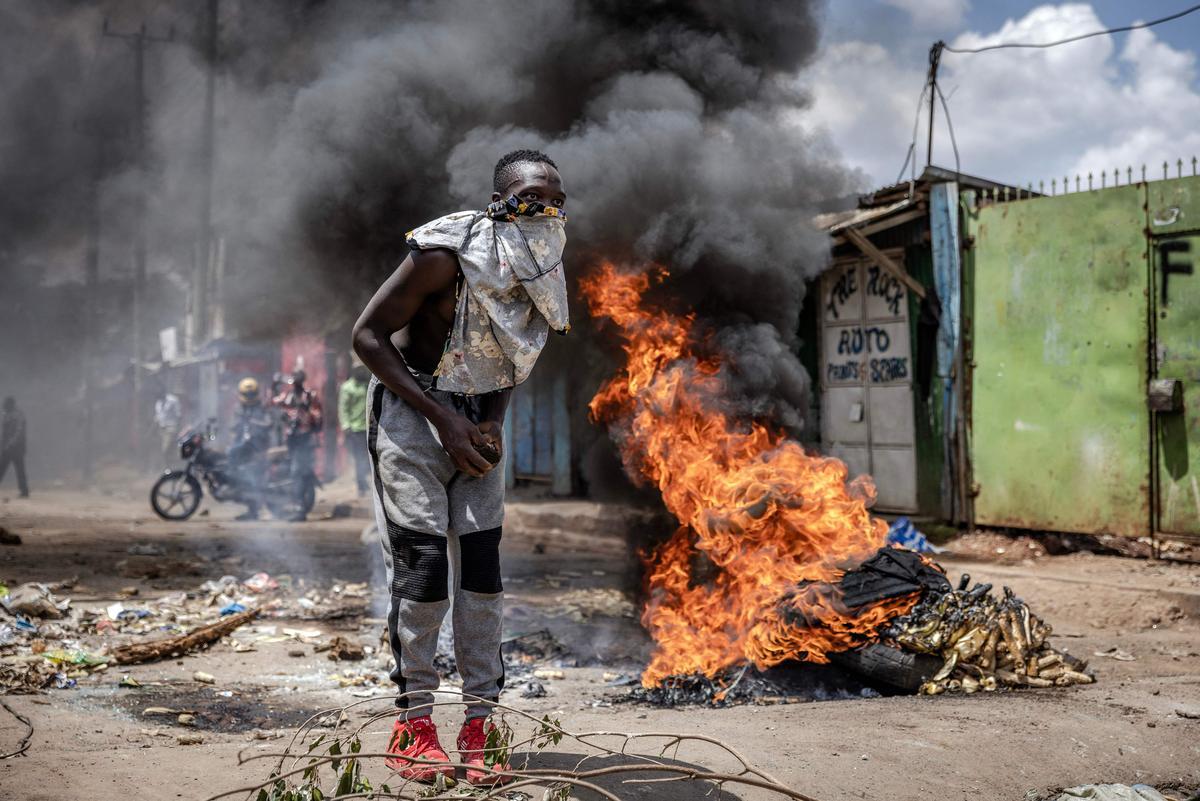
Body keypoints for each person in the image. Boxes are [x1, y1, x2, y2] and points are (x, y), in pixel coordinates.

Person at [352, 149, 568, 785]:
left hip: (475, 417)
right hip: (411, 410)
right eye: (531, 198)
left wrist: (492, 419)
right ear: (500, 204)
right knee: (421, 568)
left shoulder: (543, 261)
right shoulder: (442, 255)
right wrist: (441, 419)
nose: (545, 210)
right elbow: (366, 337)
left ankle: (480, 723)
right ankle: (413, 722)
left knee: (481, 573)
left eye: (556, 200)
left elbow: (513, 353)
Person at [272, 368, 323, 522]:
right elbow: (273, 401)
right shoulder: (287, 395)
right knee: (291, 470)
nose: (295, 383)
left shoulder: (309, 396)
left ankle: (300, 508)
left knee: (297, 472)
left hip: (305, 440)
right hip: (291, 440)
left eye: (298, 380)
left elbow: (318, 417)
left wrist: (305, 419)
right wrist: (274, 384)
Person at [229, 377, 274, 521]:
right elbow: (233, 425)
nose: (249, 398)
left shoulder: (262, 407)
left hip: (258, 447)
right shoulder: (238, 408)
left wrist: (254, 423)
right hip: (242, 447)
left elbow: (268, 423)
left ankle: (258, 510)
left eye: (251, 394)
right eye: (246, 395)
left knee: (254, 477)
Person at [338, 360, 372, 496]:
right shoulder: (347, 387)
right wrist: (346, 426)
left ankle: (367, 483)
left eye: (362, 369)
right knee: (359, 458)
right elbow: (343, 408)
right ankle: (361, 486)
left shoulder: (366, 385)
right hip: (355, 429)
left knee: (368, 457)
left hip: (368, 427)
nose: (361, 371)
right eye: (358, 369)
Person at [0, 396, 29, 498]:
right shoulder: (7, 415)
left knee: (18, 470)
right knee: (7, 469)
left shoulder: (18, 416)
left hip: (16, 448)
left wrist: (9, 444)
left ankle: (24, 491)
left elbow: (18, 433)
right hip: (10, 447)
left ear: (10, 405)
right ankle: (24, 491)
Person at [154, 388, 182, 467]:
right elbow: (158, 415)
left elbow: (178, 414)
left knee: (166, 448)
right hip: (161, 428)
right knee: (163, 448)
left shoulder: (173, 400)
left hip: (171, 427)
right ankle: (167, 465)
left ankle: (168, 466)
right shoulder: (158, 402)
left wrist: (178, 427)